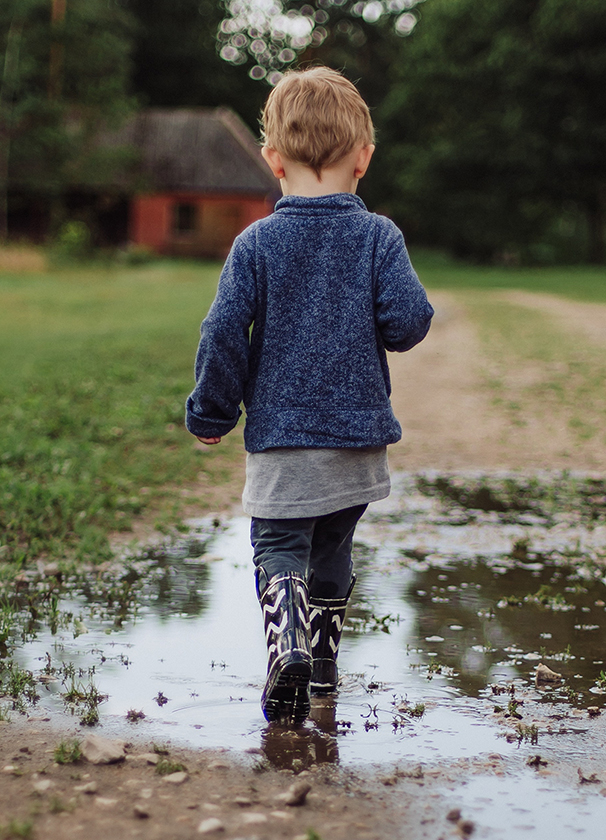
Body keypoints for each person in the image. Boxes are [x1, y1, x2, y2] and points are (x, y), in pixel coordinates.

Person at [184, 67, 434, 724]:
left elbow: (222, 331)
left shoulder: (257, 244)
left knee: (279, 545)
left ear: (272, 159)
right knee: (332, 547)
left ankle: (288, 643)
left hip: (284, 437)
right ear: (364, 158)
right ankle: (320, 665)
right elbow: (408, 322)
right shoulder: (379, 236)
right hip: (357, 444)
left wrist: (212, 409)